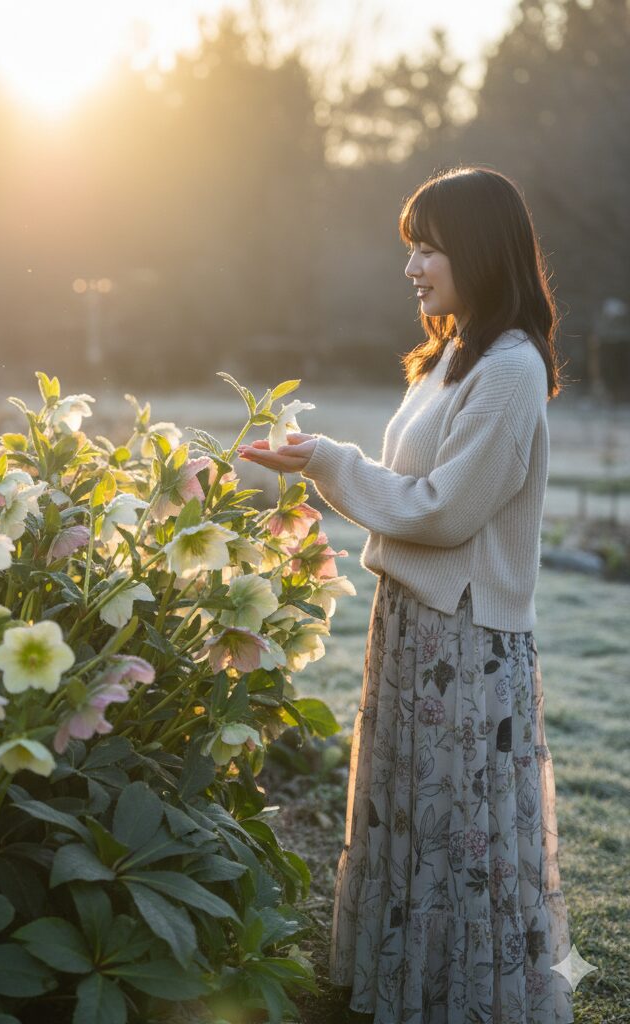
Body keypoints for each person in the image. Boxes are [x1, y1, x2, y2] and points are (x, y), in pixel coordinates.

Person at [237, 165, 574, 1024]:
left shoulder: (509, 369)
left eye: (429, 248)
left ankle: (463, 997)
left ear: (480, 252)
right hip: (418, 627)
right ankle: (409, 984)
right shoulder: (453, 354)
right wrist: (323, 460)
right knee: (416, 821)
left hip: (465, 640)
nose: (412, 267)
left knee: (459, 831)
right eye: (411, 248)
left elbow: (445, 510)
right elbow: (409, 482)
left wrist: (328, 464)